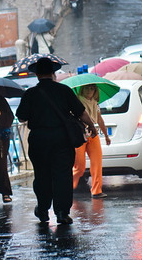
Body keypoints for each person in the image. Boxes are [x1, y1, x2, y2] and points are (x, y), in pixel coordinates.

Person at [16, 57, 97, 225]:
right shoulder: (64, 90)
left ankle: (43, 209)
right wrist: (92, 126)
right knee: (62, 175)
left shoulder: (30, 93)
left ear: (37, 74)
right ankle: (61, 212)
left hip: (39, 139)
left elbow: (21, 117)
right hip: (61, 139)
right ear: (53, 73)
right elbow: (81, 113)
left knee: (42, 175)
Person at [72, 84, 111, 199]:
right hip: (80, 135)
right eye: (88, 88)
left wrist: (106, 135)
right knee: (79, 167)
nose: (90, 91)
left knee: (97, 163)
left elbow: (99, 119)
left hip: (93, 135)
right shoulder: (77, 101)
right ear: (82, 90)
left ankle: (97, 190)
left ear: (96, 91)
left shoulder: (95, 104)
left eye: (93, 88)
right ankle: (68, 187)